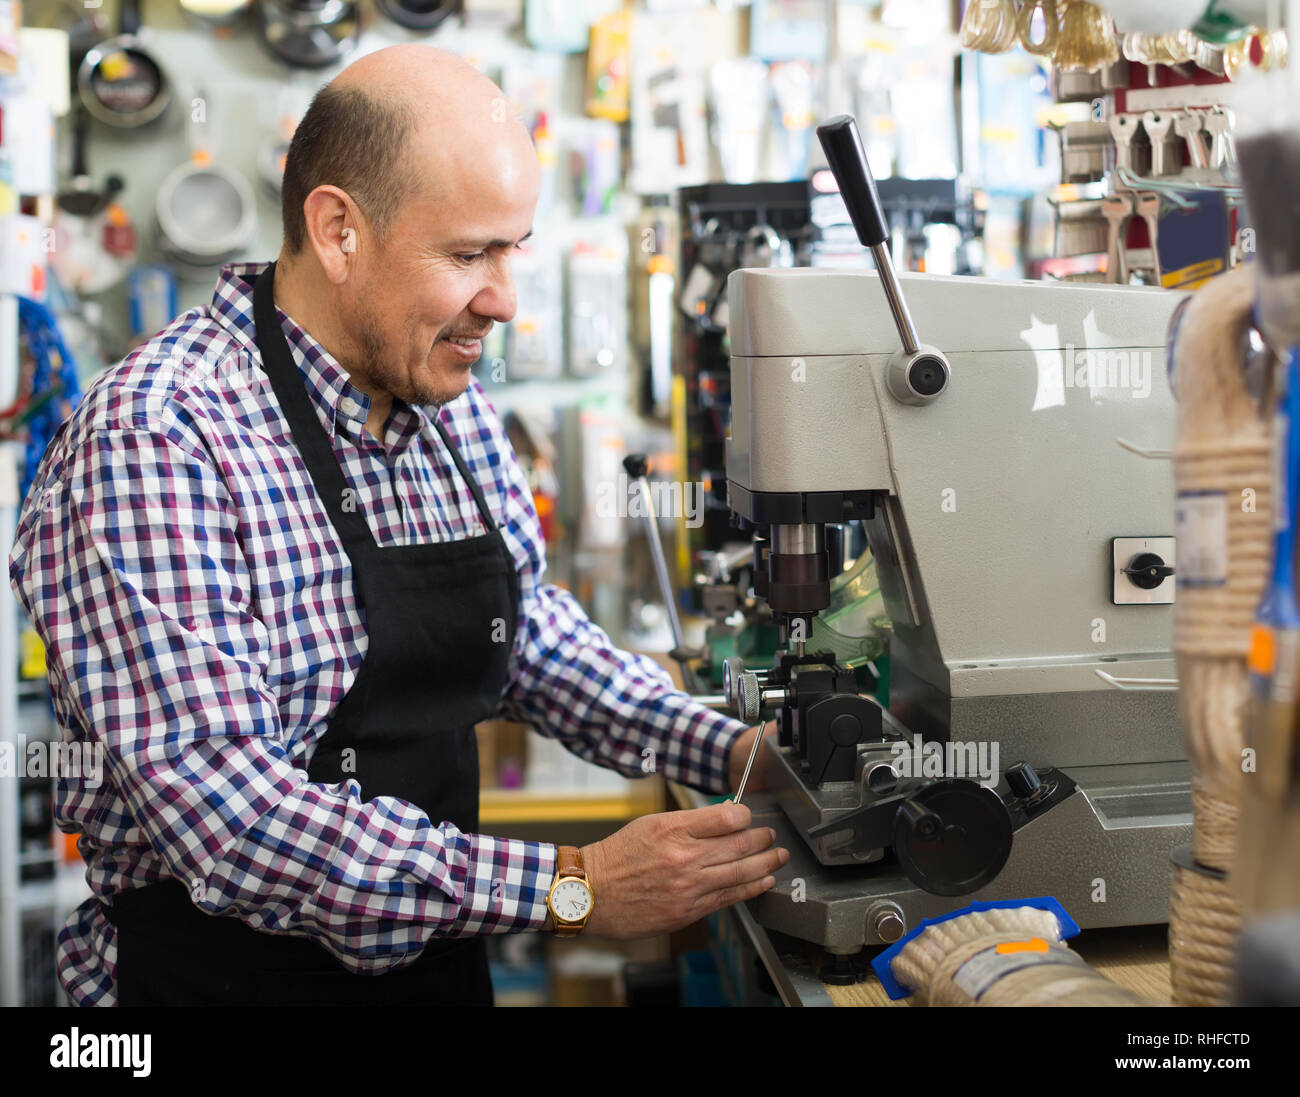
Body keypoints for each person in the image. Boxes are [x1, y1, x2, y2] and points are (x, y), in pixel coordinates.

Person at [9, 44, 785, 1007]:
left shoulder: (442, 396)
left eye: (513, 250)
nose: (503, 299)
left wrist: (723, 746)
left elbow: (524, 636)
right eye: (468, 255)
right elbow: (231, 819)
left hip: (432, 974)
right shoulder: (156, 438)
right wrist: (570, 886)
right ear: (338, 231)